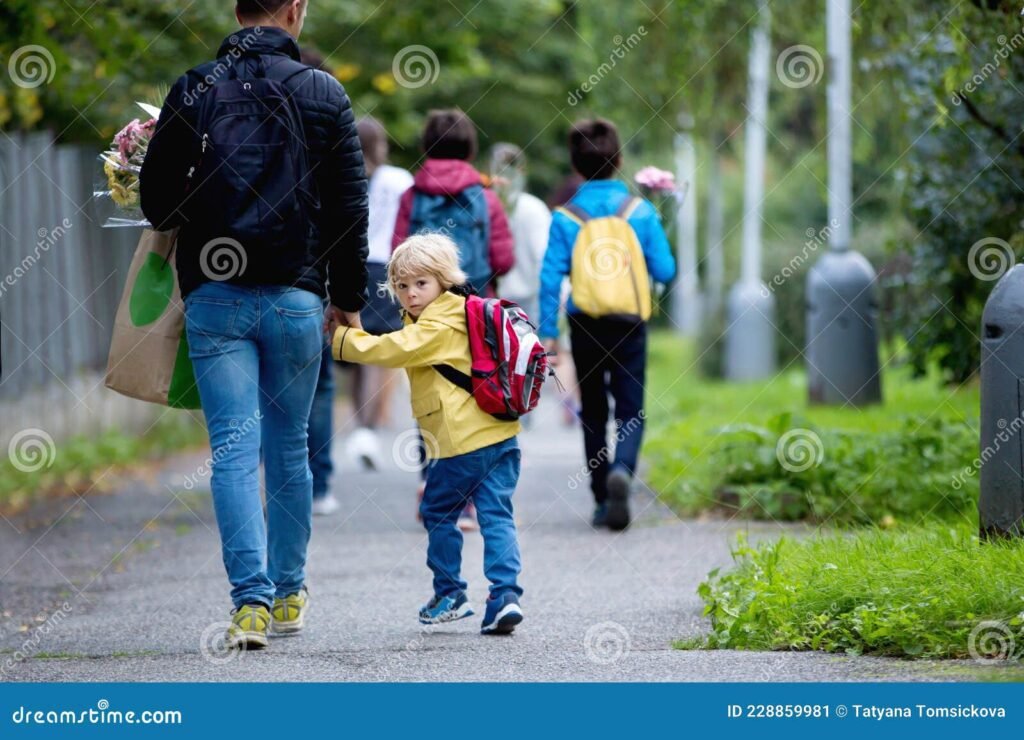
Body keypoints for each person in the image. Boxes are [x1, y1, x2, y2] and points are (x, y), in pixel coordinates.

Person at [140, 0, 368, 649]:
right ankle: (289, 591)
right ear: (296, 10)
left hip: (216, 299)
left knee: (233, 454)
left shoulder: (193, 88)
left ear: (237, 10)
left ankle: (250, 605)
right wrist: (349, 299)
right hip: (298, 296)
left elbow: (158, 205)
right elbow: (350, 208)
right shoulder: (324, 91)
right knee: (289, 447)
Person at [328, 233, 524, 635]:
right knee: (496, 515)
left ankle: (450, 593)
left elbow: (393, 350)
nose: (411, 294)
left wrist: (342, 338)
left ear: (444, 280)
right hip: (502, 435)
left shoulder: (439, 322)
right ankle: (505, 596)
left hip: (462, 443)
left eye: (421, 283)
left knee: (437, 511)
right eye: (401, 286)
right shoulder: (462, 310)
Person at [538, 118, 676, 532]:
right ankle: (623, 470)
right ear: (619, 160)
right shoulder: (640, 211)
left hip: (585, 324)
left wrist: (548, 332)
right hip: (630, 324)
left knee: (594, 412)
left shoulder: (566, 217)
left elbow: (550, 278)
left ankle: (601, 499)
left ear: (575, 165)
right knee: (630, 409)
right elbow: (666, 270)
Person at [392, 108, 515, 530]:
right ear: (469, 147)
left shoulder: (412, 195)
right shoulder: (486, 196)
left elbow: (397, 253)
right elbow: (504, 258)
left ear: (427, 145)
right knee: (474, 398)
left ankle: (432, 485)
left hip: (423, 314)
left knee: (429, 398)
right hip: (474, 313)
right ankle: (468, 498)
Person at [342, 116, 413, 475]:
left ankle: (359, 425)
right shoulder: (399, 180)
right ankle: (367, 429)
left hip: (349, 265)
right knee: (376, 353)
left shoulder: (342, 175)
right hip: (386, 267)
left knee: (355, 348)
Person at [489, 143, 551, 327]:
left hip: (492, 302)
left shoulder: (484, 204)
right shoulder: (535, 208)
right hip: (528, 303)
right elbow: (544, 258)